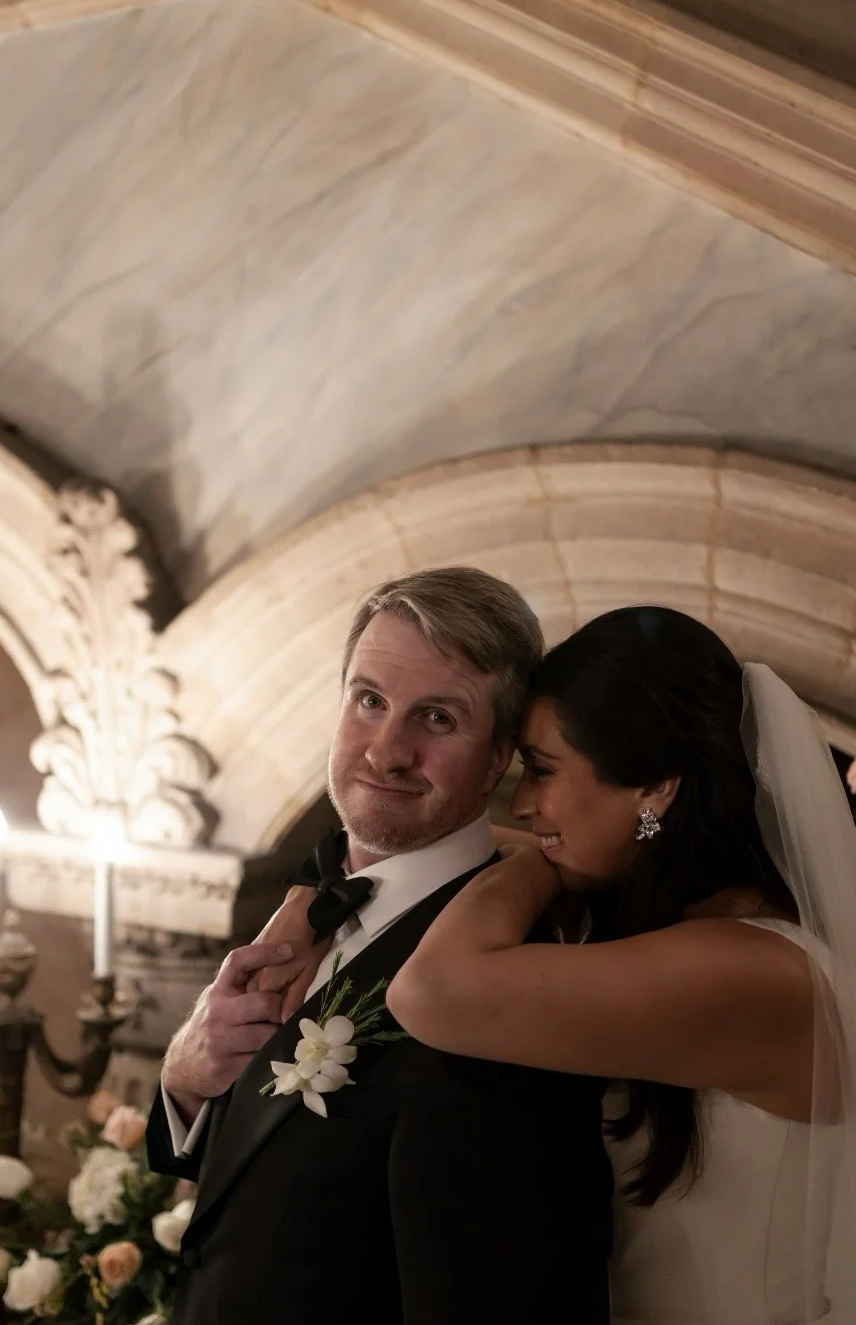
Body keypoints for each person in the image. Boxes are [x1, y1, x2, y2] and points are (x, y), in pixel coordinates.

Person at [144, 567, 613, 1324]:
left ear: (500, 758)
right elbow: (265, 1194)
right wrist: (189, 1081)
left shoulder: (507, 984)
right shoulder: (305, 907)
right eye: (369, 702)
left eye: (436, 719)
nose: (385, 751)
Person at [373, 606, 854, 1324]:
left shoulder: (757, 972)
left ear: (655, 787)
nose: (527, 803)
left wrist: (540, 858)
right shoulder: (697, 928)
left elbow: (434, 992)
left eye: (542, 769)